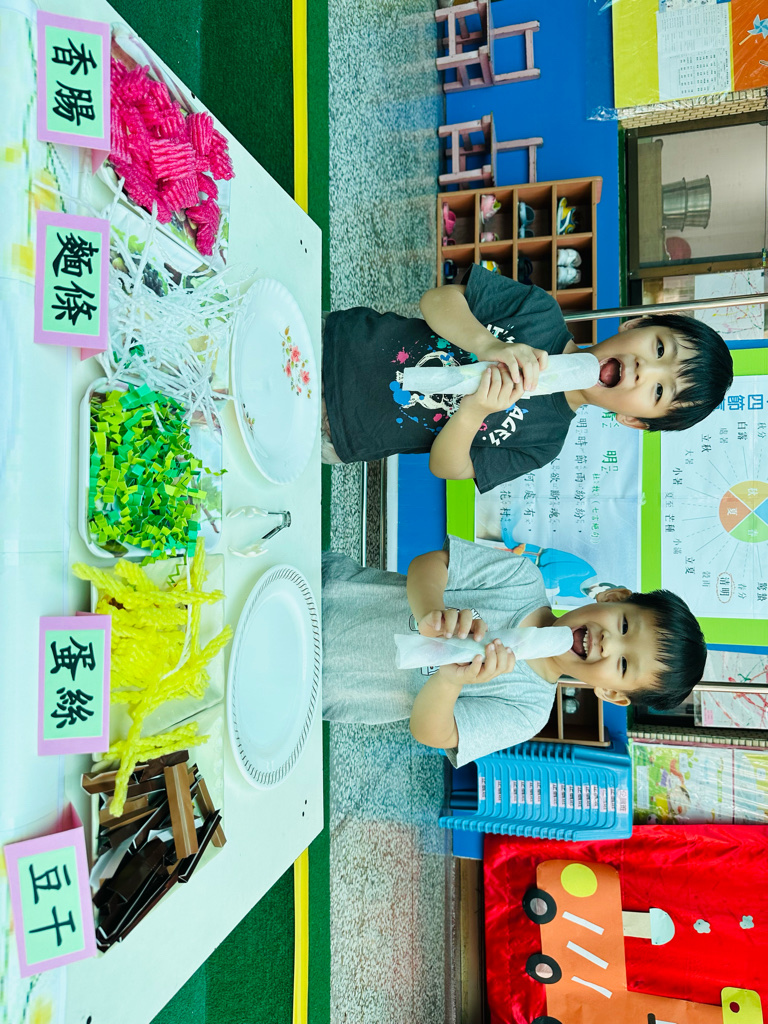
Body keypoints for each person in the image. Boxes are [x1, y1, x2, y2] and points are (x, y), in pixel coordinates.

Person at [321, 264, 733, 493]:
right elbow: (436, 300)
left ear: (634, 421)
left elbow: (447, 467)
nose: (645, 369)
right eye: (659, 348)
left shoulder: (544, 443)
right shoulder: (540, 313)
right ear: (636, 324)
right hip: (338, 344)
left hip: (341, 432)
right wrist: (487, 345)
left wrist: (475, 412)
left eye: (659, 391)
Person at [322, 536, 706, 768]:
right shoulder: (521, 579)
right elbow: (431, 564)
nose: (608, 642)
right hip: (327, 592)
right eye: (623, 626)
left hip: (327, 686)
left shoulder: (528, 712)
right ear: (614, 597)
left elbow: (430, 732)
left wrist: (450, 680)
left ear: (611, 693)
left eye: (623, 664)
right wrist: (430, 611)